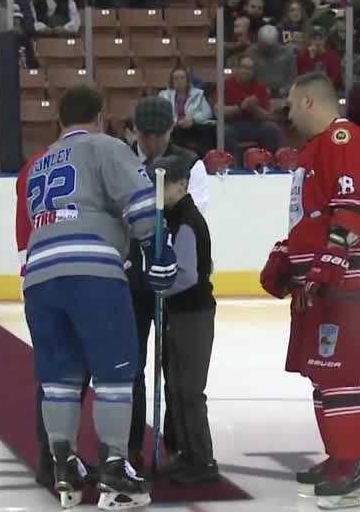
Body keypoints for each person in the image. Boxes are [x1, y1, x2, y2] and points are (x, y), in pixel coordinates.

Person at [20, 84, 176, 510]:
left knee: (58, 378)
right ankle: (115, 467)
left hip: (40, 276)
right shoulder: (105, 147)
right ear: (101, 116)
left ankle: (64, 466)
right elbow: (142, 204)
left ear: (60, 121)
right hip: (92, 270)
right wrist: (158, 253)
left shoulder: (39, 163)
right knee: (114, 374)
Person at [261, 71, 360, 509]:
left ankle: (353, 473)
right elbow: (310, 219)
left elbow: (353, 208)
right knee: (323, 372)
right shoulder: (314, 150)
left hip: (346, 282)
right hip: (325, 281)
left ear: (311, 103)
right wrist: (286, 255)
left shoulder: (341, 140)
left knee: (338, 376)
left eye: (293, 106)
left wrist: (330, 261)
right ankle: (343, 459)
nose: (289, 114)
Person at [121, 96, 208, 472]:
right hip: (135, 282)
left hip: (174, 286)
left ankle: (178, 444)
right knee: (132, 365)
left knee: (175, 370)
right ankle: (131, 446)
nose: (152, 142)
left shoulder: (190, 165)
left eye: (159, 135)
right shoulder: (121, 161)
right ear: (134, 132)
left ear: (171, 130)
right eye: (145, 136)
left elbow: (190, 214)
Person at [147, 153, 218, 485]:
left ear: (181, 185)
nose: (156, 192)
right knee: (176, 387)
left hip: (193, 314)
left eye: (162, 185)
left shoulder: (187, 220)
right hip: (181, 313)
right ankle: (187, 454)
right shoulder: (175, 217)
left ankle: (203, 460)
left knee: (189, 389)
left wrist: (159, 290)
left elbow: (188, 274)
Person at [219, 55, 283, 161]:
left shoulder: (260, 87)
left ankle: (269, 164)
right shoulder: (226, 84)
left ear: (254, 71)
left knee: (272, 129)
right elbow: (218, 111)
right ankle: (232, 167)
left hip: (255, 124)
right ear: (238, 69)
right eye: (243, 67)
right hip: (233, 125)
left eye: (249, 68)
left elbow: (267, 116)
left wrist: (254, 108)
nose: (246, 71)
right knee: (224, 131)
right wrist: (240, 107)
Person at [158, 67, 215, 156]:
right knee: (175, 132)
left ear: (187, 80)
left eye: (182, 78)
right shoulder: (164, 95)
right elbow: (161, 113)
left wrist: (192, 118)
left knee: (210, 130)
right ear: (172, 81)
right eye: (175, 78)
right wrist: (176, 121)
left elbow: (207, 113)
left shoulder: (198, 94)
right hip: (174, 128)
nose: (179, 81)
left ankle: (203, 160)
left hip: (194, 126)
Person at [248, 24, 298, 98]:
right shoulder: (251, 53)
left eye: (270, 47)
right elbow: (247, 77)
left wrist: (285, 89)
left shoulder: (287, 53)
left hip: (283, 95)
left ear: (276, 42)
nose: (268, 49)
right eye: (264, 45)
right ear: (259, 41)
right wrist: (259, 89)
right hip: (257, 95)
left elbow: (293, 78)